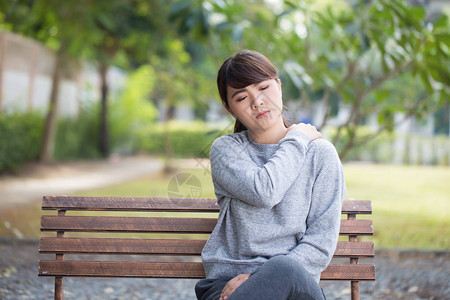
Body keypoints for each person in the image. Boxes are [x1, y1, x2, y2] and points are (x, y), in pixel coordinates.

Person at [195, 50, 346, 300]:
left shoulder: (320, 154)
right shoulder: (227, 150)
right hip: (227, 287)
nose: (257, 102)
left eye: (263, 88)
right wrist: (296, 138)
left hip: (296, 289)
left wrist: (259, 278)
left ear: (279, 86)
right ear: (230, 110)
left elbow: (320, 244)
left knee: (283, 267)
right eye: (242, 97)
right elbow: (265, 191)